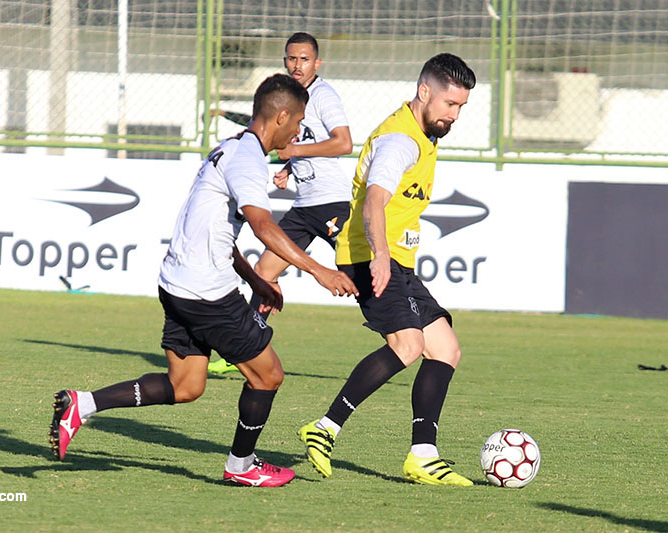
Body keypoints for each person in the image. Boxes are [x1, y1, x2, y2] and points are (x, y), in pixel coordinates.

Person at [49, 73, 358, 487]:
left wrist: (255, 278)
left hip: (175, 281)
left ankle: (82, 405)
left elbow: (214, 228)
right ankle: (241, 466)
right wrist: (319, 270)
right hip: (205, 291)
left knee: (186, 384)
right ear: (282, 116)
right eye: (299, 119)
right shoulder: (248, 159)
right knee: (268, 375)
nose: (300, 129)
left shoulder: (229, 149)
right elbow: (263, 225)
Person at [297, 53, 477, 486]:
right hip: (370, 256)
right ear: (424, 92)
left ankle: (422, 455)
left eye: (461, 108)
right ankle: (324, 428)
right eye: (450, 105)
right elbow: (374, 199)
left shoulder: (424, 132)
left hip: (397, 260)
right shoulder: (400, 140)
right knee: (409, 344)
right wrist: (379, 255)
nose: (454, 115)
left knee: (446, 349)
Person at [208, 31, 353, 375]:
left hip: (332, 201)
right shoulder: (290, 97)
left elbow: (343, 143)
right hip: (305, 205)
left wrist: (294, 153)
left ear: (317, 63)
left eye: (304, 59)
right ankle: (243, 350)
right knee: (264, 272)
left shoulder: (323, 95)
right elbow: (305, 140)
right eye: (291, 58)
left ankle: (405, 329)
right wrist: (291, 167)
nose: (297, 65)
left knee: (356, 274)